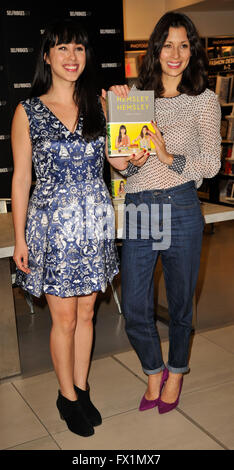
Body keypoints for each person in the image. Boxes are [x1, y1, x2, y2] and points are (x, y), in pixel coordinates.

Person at [11, 19, 148, 437]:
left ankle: (82, 388)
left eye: (79, 49)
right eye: (63, 49)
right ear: (48, 56)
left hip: (94, 222)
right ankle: (66, 397)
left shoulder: (100, 105)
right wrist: (19, 238)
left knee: (88, 312)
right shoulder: (28, 110)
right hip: (51, 227)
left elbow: (119, 162)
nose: (72, 57)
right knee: (64, 319)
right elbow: (21, 179)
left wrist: (135, 151)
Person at [110, 11, 221, 414]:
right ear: (155, 49)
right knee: (136, 305)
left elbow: (209, 165)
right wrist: (130, 155)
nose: (175, 53)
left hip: (181, 206)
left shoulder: (205, 101)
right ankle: (152, 369)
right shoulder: (137, 97)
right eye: (168, 44)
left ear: (193, 51)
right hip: (141, 206)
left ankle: (175, 372)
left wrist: (166, 155)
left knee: (179, 303)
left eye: (184, 44)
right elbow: (128, 166)